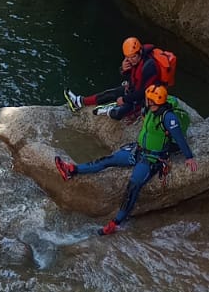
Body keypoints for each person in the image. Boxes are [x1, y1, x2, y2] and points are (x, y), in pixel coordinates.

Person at [55, 82, 197, 236]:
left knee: (133, 186)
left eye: (148, 98)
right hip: (138, 151)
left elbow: (179, 138)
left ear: (152, 101)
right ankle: (72, 170)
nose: (145, 99)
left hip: (152, 159)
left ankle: (115, 223)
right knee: (108, 160)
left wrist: (189, 157)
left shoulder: (168, 118)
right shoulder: (149, 109)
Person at [64, 37, 162, 122]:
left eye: (133, 57)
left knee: (117, 113)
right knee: (109, 94)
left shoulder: (149, 67)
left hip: (142, 99)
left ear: (140, 52)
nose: (131, 60)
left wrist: (124, 99)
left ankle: (110, 109)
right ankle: (79, 102)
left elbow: (143, 92)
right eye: (128, 58)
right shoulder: (136, 60)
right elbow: (133, 76)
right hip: (133, 91)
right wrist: (123, 69)